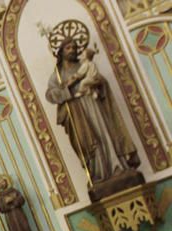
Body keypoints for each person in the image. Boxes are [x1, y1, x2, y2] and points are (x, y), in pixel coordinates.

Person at [45, 36, 139, 186]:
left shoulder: (85, 65)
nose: (72, 50)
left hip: (94, 106)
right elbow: (50, 95)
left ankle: (117, 167)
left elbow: (99, 80)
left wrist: (97, 84)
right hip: (77, 112)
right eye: (68, 48)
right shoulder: (57, 75)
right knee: (86, 141)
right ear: (61, 52)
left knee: (105, 134)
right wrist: (66, 89)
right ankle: (97, 173)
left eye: (74, 47)